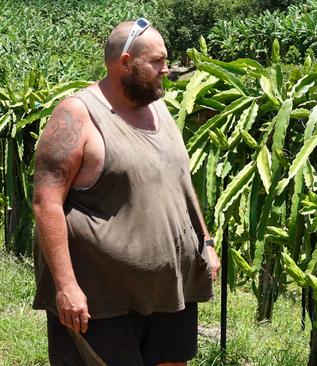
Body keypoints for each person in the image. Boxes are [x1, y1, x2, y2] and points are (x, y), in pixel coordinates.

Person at [32, 18, 220, 366]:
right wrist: (66, 286)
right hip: (102, 300)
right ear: (126, 62)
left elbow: (179, 180)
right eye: (158, 61)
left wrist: (205, 241)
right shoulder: (78, 115)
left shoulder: (159, 108)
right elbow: (46, 203)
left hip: (169, 290)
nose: (167, 69)